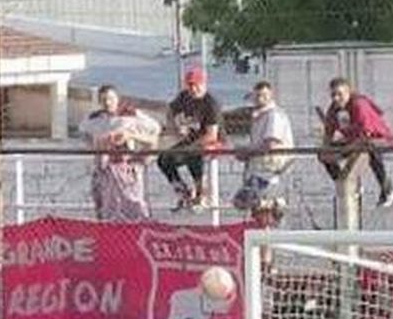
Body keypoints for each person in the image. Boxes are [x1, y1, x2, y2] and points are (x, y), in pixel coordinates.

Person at [79, 84, 160, 222]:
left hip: (127, 180)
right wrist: (99, 142)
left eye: (110, 98)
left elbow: (154, 131)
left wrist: (130, 135)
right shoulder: (95, 119)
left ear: (117, 99)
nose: (107, 103)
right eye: (103, 99)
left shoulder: (130, 115)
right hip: (106, 175)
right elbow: (83, 133)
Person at [318, 76, 393, 207]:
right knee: (324, 154)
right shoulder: (333, 109)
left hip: (377, 137)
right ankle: (344, 183)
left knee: (369, 147)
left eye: (340, 94)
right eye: (333, 95)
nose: (336, 98)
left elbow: (366, 133)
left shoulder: (358, 104)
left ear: (348, 92)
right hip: (354, 140)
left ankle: (387, 187)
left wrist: (348, 147)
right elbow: (328, 133)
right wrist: (326, 150)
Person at [158, 65, 222, 211]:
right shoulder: (184, 97)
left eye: (196, 85)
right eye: (190, 85)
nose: (193, 89)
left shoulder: (211, 103)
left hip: (211, 140)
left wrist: (192, 145)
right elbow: (170, 110)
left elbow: (211, 134)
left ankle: (201, 193)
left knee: (193, 154)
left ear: (203, 84)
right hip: (191, 139)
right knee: (163, 159)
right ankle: (182, 191)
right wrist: (174, 128)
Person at [233, 80, 294, 226]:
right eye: (257, 96)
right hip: (258, 170)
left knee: (258, 207)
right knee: (249, 206)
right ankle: (263, 243)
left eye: (264, 95)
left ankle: (267, 242)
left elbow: (271, 144)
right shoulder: (259, 117)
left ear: (271, 96)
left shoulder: (275, 115)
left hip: (270, 172)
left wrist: (247, 151)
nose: (260, 99)